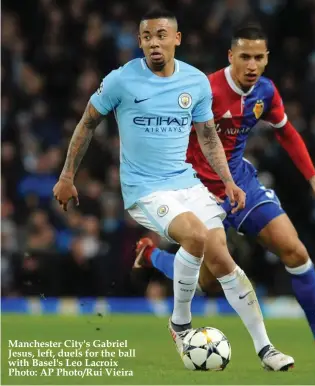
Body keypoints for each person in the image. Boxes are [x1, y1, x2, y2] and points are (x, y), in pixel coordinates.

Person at [53, 9, 294, 371]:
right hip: (146, 189)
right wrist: (67, 175)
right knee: (195, 237)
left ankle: (266, 349)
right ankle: (181, 323)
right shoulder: (120, 81)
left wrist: (228, 180)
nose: (154, 42)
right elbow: (87, 124)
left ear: (176, 40)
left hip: (186, 182)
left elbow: (209, 136)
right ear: (139, 42)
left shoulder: (195, 82)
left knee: (222, 263)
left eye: (161, 35)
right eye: (147, 36)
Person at [134, 22, 315, 363]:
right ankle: (152, 255)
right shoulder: (204, 89)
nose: (252, 65)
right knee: (209, 282)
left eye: (259, 57)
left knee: (295, 250)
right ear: (231, 56)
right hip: (197, 188)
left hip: (240, 183)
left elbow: (286, 132)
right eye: (245, 56)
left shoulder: (266, 92)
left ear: (267, 58)